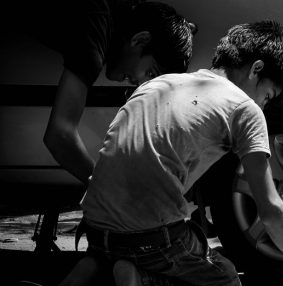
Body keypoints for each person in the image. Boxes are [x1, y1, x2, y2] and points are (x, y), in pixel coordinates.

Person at [19, 20, 283, 286]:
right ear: (256, 70)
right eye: (268, 96)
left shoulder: (158, 84)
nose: (264, 105)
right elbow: (270, 208)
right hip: (147, 238)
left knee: (139, 237)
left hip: (95, 226)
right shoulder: (245, 109)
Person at [3, 0, 195, 186]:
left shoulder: (125, 12)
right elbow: (60, 135)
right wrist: (108, 190)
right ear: (140, 39)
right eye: (150, 73)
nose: (140, 85)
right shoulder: (95, 31)